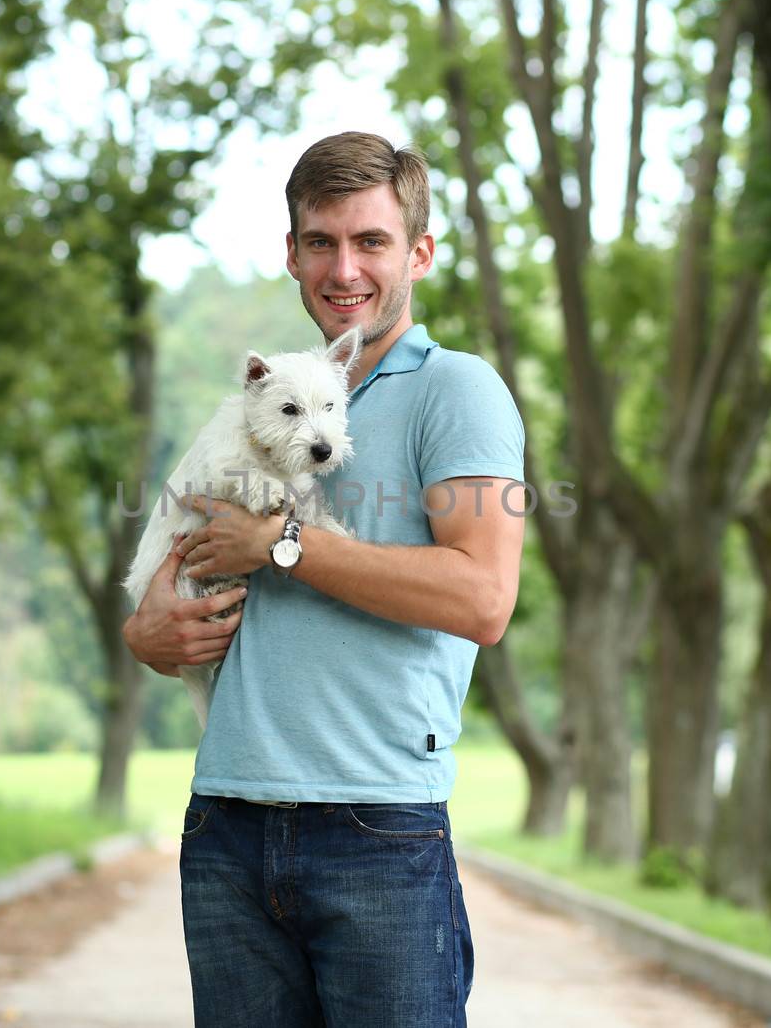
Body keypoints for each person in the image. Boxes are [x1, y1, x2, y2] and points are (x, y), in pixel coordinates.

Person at [123, 131, 526, 1027]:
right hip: (225, 816)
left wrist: (286, 542)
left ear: (419, 251)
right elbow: (183, 551)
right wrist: (146, 634)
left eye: (371, 241)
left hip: (375, 826)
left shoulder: (458, 392)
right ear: (294, 254)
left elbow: (484, 599)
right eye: (320, 242)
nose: (344, 268)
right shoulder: (273, 399)